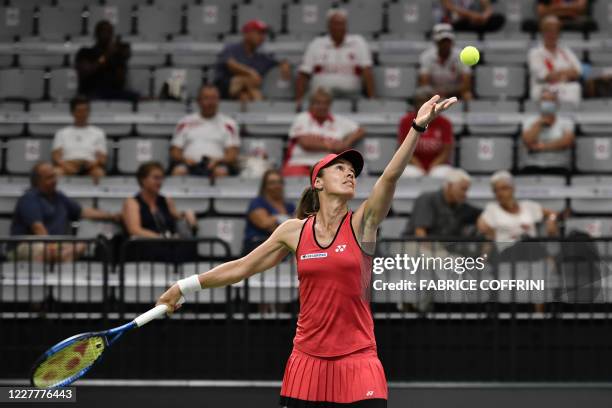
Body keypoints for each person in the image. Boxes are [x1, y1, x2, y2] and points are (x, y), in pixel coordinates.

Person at [155, 95, 458, 406]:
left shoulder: (362, 224)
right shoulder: (293, 231)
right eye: (339, 168)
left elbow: (389, 178)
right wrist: (183, 286)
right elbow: (241, 267)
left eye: (352, 170)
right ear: (319, 182)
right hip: (306, 362)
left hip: (358, 360)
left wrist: (417, 128)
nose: (349, 173)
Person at [10, 162, 120, 262]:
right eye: (49, 178)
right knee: (47, 250)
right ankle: (55, 266)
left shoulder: (59, 196)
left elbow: (83, 211)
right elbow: (39, 230)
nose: (54, 180)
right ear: (37, 181)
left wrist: (111, 215)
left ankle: (58, 266)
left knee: (80, 246)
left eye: (54, 176)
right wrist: (55, 247)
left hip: (56, 244)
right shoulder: (29, 198)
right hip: (28, 244)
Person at [295, 8, 375, 107]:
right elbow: (304, 73)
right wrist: (298, 100)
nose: (339, 27)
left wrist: (372, 100)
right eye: (335, 23)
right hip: (320, 95)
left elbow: (367, 71)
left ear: (346, 26)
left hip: (351, 95)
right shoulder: (316, 43)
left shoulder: (358, 42)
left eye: (342, 23)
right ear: (328, 26)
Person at [122, 162, 197, 262]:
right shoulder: (132, 202)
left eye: (161, 178)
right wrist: (161, 238)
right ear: (143, 180)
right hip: (145, 246)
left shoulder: (167, 200)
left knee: (189, 248)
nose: (159, 182)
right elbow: (135, 230)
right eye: (156, 178)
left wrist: (187, 216)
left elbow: (176, 216)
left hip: (167, 245)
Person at [282, 87, 365, 177]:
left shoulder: (338, 121)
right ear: (311, 104)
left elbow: (360, 130)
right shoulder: (303, 118)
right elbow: (305, 144)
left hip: (328, 167)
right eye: (318, 103)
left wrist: (345, 143)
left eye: (325, 103)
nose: (322, 106)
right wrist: (332, 145)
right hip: (300, 163)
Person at [477, 170, 560, 257]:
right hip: (508, 253)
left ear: (513, 188)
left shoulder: (528, 206)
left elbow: (553, 213)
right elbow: (482, 228)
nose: (500, 193)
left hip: (532, 251)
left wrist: (552, 219)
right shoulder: (492, 209)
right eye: (496, 190)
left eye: (504, 188)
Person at [170, 85, 241, 178]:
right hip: (188, 164)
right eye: (206, 98)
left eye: (214, 98)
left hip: (217, 164)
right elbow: (175, 151)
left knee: (221, 172)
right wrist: (185, 159)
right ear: (198, 101)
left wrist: (218, 160)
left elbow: (232, 154)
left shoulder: (229, 124)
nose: (210, 102)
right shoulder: (184, 122)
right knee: (179, 171)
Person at [214, 19, 291, 102]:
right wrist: (251, 73)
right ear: (247, 34)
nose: (262, 37)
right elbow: (231, 64)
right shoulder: (232, 48)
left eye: (264, 34)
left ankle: (258, 107)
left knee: (251, 92)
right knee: (241, 81)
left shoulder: (262, 56)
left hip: (249, 94)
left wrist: (284, 64)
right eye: (259, 33)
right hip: (224, 92)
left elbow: (280, 61)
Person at [398, 86, 455, 178]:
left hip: (438, 166)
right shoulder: (406, 121)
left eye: (424, 101)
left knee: (442, 174)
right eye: (419, 102)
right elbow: (403, 148)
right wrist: (419, 166)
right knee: (408, 174)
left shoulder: (445, 122)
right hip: (413, 165)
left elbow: (446, 150)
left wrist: (432, 166)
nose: (421, 105)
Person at [407, 169, 481, 238]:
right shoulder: (426, 199)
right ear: (449, 186)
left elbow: (483, 217)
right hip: (415, 247)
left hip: (444, 248)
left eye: (467, 190)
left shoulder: (462, 206)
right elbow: (420, 233)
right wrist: (432, 251)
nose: (465, 194)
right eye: (463, 189)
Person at [74, 20, 137, 101]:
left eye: (110, 32)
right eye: (104, 31)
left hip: (114, 94)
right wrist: (106, 55)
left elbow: (121, 80)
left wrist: (122, 58)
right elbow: (87, 70)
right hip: (91, 93)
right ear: (96, 34)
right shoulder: (85, 52)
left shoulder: (116, 55)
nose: (107, 35)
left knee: (137, 99)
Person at [527, 15, 583, 103]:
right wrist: (566, 72)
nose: (552, 35)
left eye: (555, 31)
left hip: (565, 89)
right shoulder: (535, 53)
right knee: (548, 95)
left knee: (575, 88)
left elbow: (578, 71)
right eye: (548, 31)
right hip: (544, 90)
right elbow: (546, 76)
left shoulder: (565, 51)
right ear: (542, 32)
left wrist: (557, 73)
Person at [51, 96, 107, 183]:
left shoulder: (98, 133)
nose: (82, 114)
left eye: (85, 111)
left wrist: (92, 165)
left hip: (90, 166)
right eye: (79, 111)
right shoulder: (61, 133)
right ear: (72, 113)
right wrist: (67, 167)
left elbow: (102, 158)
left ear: (89, 112)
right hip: (67, 165)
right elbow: (56, 157)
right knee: (56, 172)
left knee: (99, 173)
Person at [519, 88, 575, 174]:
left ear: (557, 104)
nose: (548, 103)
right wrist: (540, 123)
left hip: (559, 166)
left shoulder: (566, 122)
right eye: (544, 100)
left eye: (552, 100)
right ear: (538, 103)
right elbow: (528, 141)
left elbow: (566, 142)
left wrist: (542, 147)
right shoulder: (529, 121)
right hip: (532, 165)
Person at [243, 169, 296, 255]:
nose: (277, 186)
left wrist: (275, 221)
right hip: (258, 246)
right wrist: (281, 219)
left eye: (279, 182)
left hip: (282, 246)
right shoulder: (257, 202)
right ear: (264, 186)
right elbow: (264, 223)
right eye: (272, 183)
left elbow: (295, 228)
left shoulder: (289, 206)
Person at [419, 24, 472, 101]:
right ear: (436, 42)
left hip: (455, 93)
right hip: (432, 94)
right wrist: (437, 95)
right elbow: (424, 82)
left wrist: (448, 94)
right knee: (421, 94)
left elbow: (466, 83)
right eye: (442, 41)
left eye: (448, 41)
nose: (445, 44)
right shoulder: (426, 56)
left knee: (467, 95)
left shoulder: (461, 55)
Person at [523, 0, 597, 33]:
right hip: (550, 21)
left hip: (575, 21)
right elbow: (541, 11)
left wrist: (553, 9)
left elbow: (581, 8)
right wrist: (570, 9)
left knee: (588, 23)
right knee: (529, 24)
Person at [439, 0, 505, 35]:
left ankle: (479, 24)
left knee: (499, 19)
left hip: (475, 20)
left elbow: (488, 8)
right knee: (449, 23)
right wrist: (472, 16)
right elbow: (449, 7)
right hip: (457, 20)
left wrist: (484, 16)